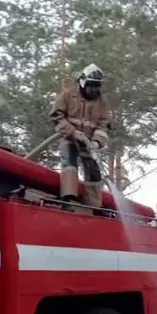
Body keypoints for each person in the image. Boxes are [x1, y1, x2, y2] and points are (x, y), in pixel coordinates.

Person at [49, 63, 111, 209]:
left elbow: (103, 126)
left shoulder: (103, 104)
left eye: (97, 86)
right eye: (91, 85)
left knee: (94, 171)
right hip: (69, 137)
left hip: (89, 142)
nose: (94, 90)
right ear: (83, 82)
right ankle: (68, 198)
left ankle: (94, 206)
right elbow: (56, 116)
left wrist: (96, 142)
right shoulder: (68, 95)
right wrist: (73, 132)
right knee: (69, 161)